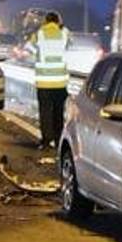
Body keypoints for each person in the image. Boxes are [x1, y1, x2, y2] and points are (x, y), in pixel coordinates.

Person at [32, 12, 70, 149]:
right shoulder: (65, 33)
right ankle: (58, 139)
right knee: (58, 113)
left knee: (45, 112)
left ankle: (46, 140)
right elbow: (69, 45)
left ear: (46, 21)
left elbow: (30, 49)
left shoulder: (39, 34)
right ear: (58, 21)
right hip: (60, 83)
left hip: (44, 82)